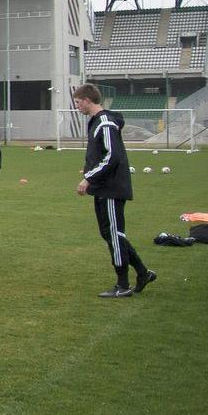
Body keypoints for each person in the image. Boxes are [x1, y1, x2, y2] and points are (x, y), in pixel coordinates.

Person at [73, 85, 156, 298]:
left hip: (111, 188)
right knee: (108, 233)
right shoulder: (98, 123)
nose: (77, 107)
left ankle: (122, 284)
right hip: (103, 187)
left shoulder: (105, 122)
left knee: (115, 234)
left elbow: (112, 156)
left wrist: (88, 178)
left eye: (78, 102)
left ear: (88, 100)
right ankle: (142, 272)